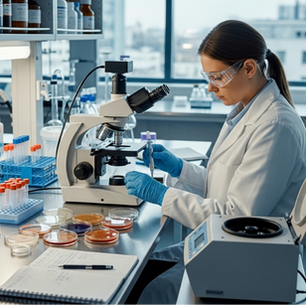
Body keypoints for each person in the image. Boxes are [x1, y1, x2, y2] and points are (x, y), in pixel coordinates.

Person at [124, 20, 306, 305]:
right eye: (207, 76)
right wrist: (179, 168)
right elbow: (226, 184)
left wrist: (162, 195)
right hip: (225, 246)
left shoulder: (275, 125)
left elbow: (236, 214)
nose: (211, 87)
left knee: (145, 291)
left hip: (247, 261)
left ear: (249, 68)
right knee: (138, 269)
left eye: (217, 77)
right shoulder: (245, 110)